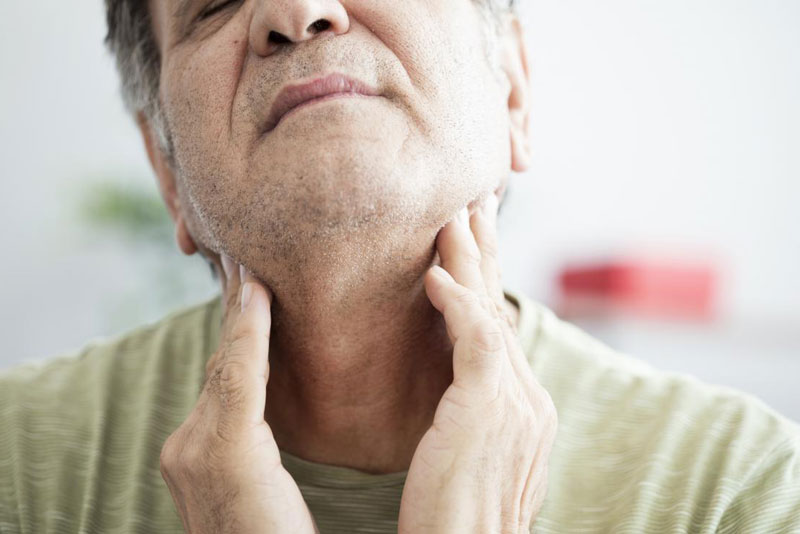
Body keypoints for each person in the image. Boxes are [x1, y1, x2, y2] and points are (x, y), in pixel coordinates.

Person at [1, 0, 798, 532]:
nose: (294, 10)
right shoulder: (17, 466)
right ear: (167, 173)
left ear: (512, 92)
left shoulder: (743, 491)